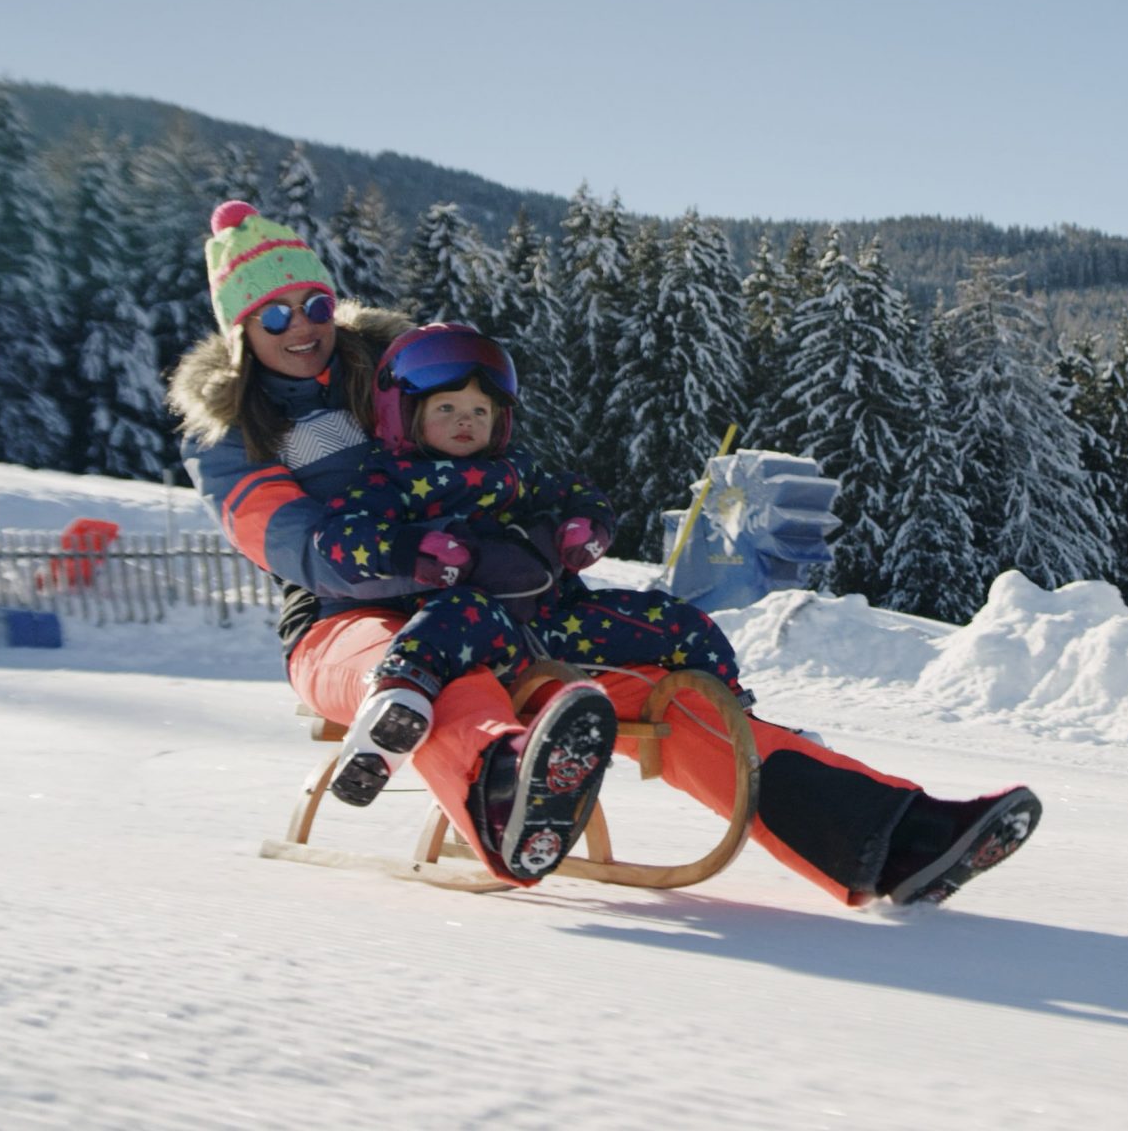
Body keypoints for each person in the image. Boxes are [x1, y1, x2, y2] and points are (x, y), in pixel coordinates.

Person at [169, 201, 1039, 905]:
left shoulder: (394, 366)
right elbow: (299, 547)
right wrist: (440, 562)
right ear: (239, 328)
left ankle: (890, 837)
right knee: (440, 678)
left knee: (669, 692)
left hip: (504, 606)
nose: (302, 326)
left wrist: (537, 537)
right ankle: (511, 799)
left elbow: (492, 450)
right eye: (273, 313)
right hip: (344, 621)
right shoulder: (232, 432)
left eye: (314, 304)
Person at [313, 322, 754, 811]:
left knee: (680, 622)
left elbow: (581, 493)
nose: (467, 421)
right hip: (477, 631)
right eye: (447, 409)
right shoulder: (389, 477)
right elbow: (339, 538)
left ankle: (744, 727)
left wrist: (585, 527)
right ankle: (392, 717)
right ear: (403, 414)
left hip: (561, 623)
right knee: (451, 617)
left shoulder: (518, 471)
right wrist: (411, 549)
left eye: (480, 410)